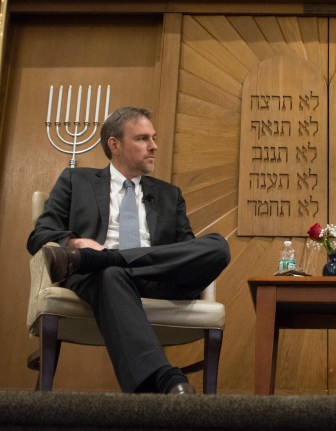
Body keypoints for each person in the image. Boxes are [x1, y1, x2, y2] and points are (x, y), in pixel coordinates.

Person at [27, 107, 231, 395]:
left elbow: (187, 249)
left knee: (218, 246)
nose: (154, 146)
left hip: (159, 278)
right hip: (102, 280)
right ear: (115, 144)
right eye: (143, 138)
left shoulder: (170, 194)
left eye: (154, 138)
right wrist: (74, 243)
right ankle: (165, 381)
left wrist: (103, 257)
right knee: (110, 273)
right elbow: (41, 234)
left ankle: (107, 257)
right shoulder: (76, 181)